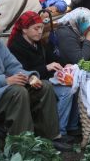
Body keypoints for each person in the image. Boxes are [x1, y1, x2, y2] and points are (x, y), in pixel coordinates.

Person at [0, 7, 69, 150]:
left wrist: (31, 77)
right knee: (17, 92)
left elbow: (14, 67)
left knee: (44, 87)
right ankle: (23, 146)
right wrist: (5, 81)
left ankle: (50, 138)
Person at [8, 11, 79, 141]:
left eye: (41, 28)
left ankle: (72, 127)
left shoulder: (38, 43)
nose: (40, 31)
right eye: (36, 28)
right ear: (24, 29)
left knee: (74, 85)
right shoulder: (16, 47)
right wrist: (46, 67)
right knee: (66, 92)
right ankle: (60, 132)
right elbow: (23, 71)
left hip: (44, 79)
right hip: (30, 85)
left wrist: (65, 65)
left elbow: (53, 58)